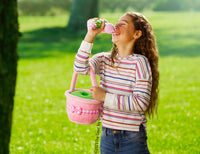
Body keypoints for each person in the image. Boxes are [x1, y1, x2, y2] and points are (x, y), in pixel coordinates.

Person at [74, 12, 159, 154]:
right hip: (107, 136)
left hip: (132, 137)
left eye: (123, 24)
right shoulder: (103, 59)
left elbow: (140, 103)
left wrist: (104, 97)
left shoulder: (139, 62)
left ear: (136, 34)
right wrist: (91, 35)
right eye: (116, 23)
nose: (115, 27)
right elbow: (80, 68)